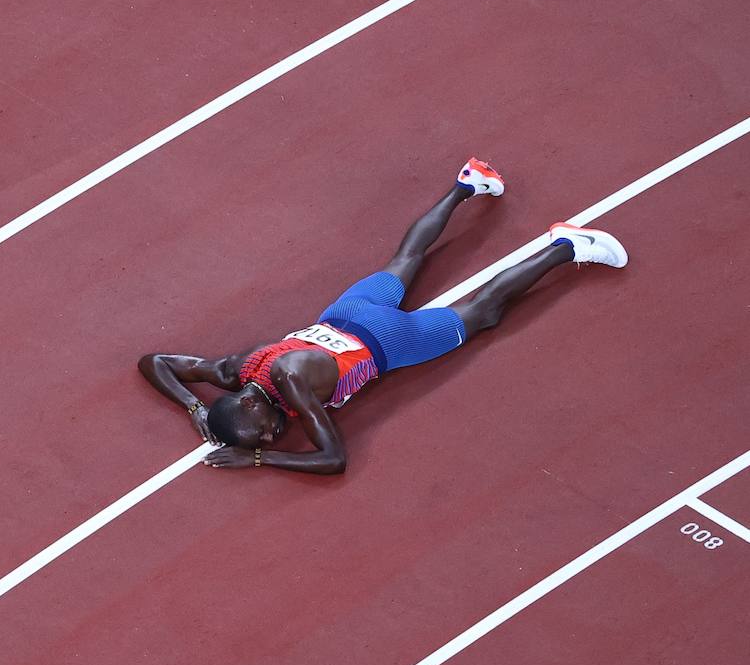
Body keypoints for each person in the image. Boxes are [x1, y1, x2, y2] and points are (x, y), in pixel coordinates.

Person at [137, 158, 627, 474]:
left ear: (249, 405)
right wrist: (194, 407)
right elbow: (153, 361)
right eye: (265, 437)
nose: (271, 433)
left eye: (261, 429)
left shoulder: (291, 388)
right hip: (345, 313)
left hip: (390, 341)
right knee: (405, 260)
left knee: (482, 313)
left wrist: (260, 457)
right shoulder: (233, 370)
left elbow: (334, 460)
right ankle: (468, 184)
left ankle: (567, 247)